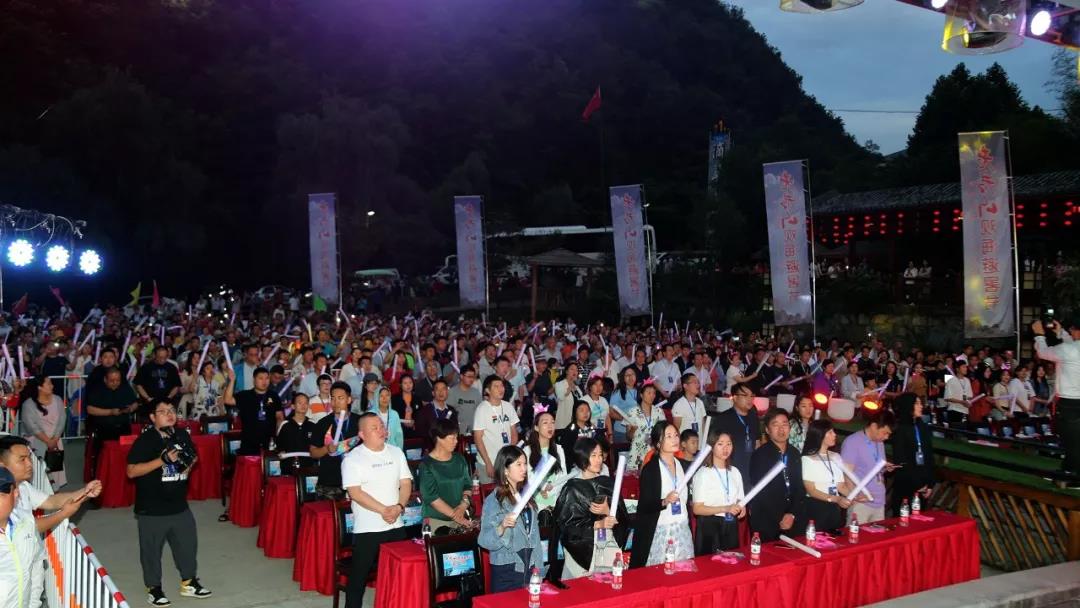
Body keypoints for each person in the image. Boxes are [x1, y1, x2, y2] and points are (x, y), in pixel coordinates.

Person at [126, 400, 212, 605]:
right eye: (163, 412)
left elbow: (194, 456)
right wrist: (162, 461)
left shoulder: (181, 434)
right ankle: (154, 588)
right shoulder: (146, 440)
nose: (169, 414)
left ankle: (189, 582)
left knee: (187, 546)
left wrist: (187, 466)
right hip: (152, 508)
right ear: (153, 418)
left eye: (172, 411)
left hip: (179, 505)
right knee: (151, 551)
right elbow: (131, 471)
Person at [341, 412, 413, 608]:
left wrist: (398, 507)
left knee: (401, 576)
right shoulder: (353, 458)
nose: (381, 430)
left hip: (396, 523)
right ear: (362, 434)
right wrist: (384, 510)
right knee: (358, 580)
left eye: (381, 426)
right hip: (368, 528)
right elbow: (355, 492)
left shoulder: (396, 451)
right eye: (374, 428)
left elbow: (406, 483)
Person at [0, 435, 101, 536]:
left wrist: (85, 492)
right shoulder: (2, 497)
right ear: (2, 464)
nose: (29, 464)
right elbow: (27, 529)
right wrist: (63, 514)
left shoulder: (23, 486)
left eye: (29, 458)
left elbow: (51, 501)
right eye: (22, 460)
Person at [478, 445, 545, 592]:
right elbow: (484, 540)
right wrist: (501, 528)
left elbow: (535, 537)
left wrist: (539, 569)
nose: (524, 469)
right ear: (506, 470)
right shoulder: (494, 500)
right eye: (519, 464)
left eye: (525, 464)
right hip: (507, 571)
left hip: (530, 568)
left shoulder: (527, 497)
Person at [552, 437, 621, 579]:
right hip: (581, 550)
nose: (599, 459)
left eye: (600, 455)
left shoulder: (607, 483)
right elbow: (568, 527)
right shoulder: (572, 488)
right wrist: (598, 524)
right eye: (593, 455)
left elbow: (622, 516)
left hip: (606, 543)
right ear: (582, 457)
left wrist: (607, 512)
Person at [630, 422, 692, 567]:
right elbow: (644, 505)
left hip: (682, 529)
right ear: (658, 443)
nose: (675, 439)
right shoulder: (651, 469)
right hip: (660, 530)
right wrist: (664, 501)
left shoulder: (683, 465)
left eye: (676, 435)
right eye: (669, 436)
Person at [748, 408, 805, 542]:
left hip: (791, 517)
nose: (781, 429)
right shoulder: (760, 455)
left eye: (785, 424)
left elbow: (799, 487)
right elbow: (761, 491)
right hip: (767, 519)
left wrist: (791, 514)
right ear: (767, 430)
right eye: (776, 425)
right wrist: (780, 517)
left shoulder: (794, 454)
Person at [690, 429, 745, 555]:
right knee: (709, 568)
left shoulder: (735, 472)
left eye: (729, 444)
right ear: (712, 447)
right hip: (709, 526)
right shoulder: (703, 473)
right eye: (720, 444)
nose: (725, 448)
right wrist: (726, 508)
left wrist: (742, 507)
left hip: (730, 524)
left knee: (731, 565)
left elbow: (739, 500)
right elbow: (697, 509)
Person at [840, 408, 896, 524]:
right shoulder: (853, 441)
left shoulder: (879, 443)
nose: (886, 437)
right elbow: (846, 473)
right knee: (857, 539)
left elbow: (873, 468)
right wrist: (855, 496)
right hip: (862, 503)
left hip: (879, 501)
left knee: (876, 539)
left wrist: (885, 468)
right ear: (874, 426)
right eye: (885, 433)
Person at [800, 420, 856, 534]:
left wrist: (854, 495)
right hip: (815, 507)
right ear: (819, 435)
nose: (834, 435)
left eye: (833, 432)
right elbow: (812, 491)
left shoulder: (836, 456)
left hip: (834, 507)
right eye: (830, 432)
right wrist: (837, 499)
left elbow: (840, 486)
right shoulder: (807, 459)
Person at [308, 382, 362, 500]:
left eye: (340, 398)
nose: (336, 402)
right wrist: (327, 448)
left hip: (357, 481)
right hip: (330, 482)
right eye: (332, 398)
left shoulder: (360, 422)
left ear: (349, 400)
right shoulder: (322, 423)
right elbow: (313, 453)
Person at [418, 418, 473, 533]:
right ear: (439, 439)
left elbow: (467, 485)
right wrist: (455, 515)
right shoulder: (427, 464)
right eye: (452, 438)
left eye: (456, 437)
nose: (456, 441)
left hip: (461, 516)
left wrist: (463, 505)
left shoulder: (459, 459)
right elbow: (431, 497)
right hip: (436, 521)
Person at [0, 465, 44, 608]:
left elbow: (36, 563)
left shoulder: (26, 523)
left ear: (16, 494)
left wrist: (33, 603)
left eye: (1, 494)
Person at [889, 393, 936, 515]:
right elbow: (900, 459)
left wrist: (930, 483)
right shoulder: (900, 429)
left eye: (921, 403)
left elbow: (929, 456)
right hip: (906, 486)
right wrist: (916, 483)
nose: (921, 406)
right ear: (909, 406)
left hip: (923, 487)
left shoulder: (923, 427)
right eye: (917, 403)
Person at [708, 382, 761, 488]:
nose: (750, 399)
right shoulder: (723, 419)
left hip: (751, 471)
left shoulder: (753, 417)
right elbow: (712, 448)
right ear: (735, 398)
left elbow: (757, 442)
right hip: (730, 471)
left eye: (752, 396)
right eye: (745, 395)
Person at [223, 365, 284, 455]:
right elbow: (227, 400)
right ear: (254, 380)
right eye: (261, 378)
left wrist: (277, 436)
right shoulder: (245, 395)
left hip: (269, 442)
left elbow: (279, 417)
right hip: (249, 443)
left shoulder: (274, 396)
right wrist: (232, 381)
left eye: (267, 378)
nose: (264, 381)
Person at [19, 376, 67, 486]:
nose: (52, 386)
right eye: (49, 383)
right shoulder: (28, 404)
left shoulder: (58, 400)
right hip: (37, 443)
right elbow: (32, 426)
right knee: (38, 474)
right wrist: (48, 441)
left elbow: (62, 420)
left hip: (55, 443)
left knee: (54, 472)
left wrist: (55, 439)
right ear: (39, 387)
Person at [473, 376, 519, 483]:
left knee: (506, 495)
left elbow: (514, 433)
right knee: (489, 495)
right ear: (488, 390)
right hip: (488, 462)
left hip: (506, 462)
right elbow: (478, 439)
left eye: (502, 386)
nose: (501, 389)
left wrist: (508, 458)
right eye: (496, 386)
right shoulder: (482, 409)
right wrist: (488, 463)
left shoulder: (508, 406)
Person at [522, 409, 568, 516]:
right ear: (536, 428)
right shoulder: (527, 451)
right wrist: (542, 487)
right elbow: (527, 476)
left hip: (555, 499)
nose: (550, 426)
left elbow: (563, 476)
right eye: (545, 423)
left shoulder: (559, 449)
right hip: (534, 500)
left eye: (552, 422)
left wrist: (552, 490)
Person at [623, 381, 665, 471]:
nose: (652, 395)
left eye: (654, 393)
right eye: (649, 392)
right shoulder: (632, 412)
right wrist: (633, 430)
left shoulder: (659, 412)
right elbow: (628, 437)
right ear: (641, 395)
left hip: (654, 451)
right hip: (637, 452)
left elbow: (663, 432)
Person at [134, 346, 182, 415]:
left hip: (166, 403)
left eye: (165, 357)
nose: (162, 360)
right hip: (150, 403)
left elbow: (176, 385)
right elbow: (138, 384)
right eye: (160, 357)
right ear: (155, 355)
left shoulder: (172, 367)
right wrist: (147, 398)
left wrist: (169, 397)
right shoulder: (146, 367)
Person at [413, 379, 458, 450]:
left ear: (447, 392)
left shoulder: (452, 410)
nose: (441, 392)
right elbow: (420, 433)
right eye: (437, 389)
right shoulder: (424, 411)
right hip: (431, 450)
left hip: (449, 450)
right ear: (433, 393)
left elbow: (456, 430)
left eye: (443, 389)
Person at [275, 394, 316, 465]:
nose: (303, 405)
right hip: (288, 467)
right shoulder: (285, 425)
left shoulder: (313, 425)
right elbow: (279, 445)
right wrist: (281, 452)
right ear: (293, 406)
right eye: (300, 403)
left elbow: (317, 446)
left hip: (308, 468)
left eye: (305, 403)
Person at [448, 367, 481, 435]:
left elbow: (480, 412)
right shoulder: (452, 392)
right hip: (457, 432)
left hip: (473, 431)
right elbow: (449, 413)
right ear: (461, 376)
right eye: (469, 376)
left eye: (473, 377)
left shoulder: (476, 393)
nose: (471, 379)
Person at [553, 362, 583, 429]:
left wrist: (574, 386)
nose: (575, 372)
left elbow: (582, 400)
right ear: (566, 371)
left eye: (576, 370)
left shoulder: (577, 387)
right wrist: (570, 387)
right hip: (564, 420)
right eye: (572, 369)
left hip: (576, 420)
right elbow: (561, 397)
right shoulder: (559, 384)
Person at [943, 361, 973, 426]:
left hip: (965, 411)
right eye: (963, 367)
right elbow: (947, 397)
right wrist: (962, 402)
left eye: (966, 367)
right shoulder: (951, 380)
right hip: (954, 410)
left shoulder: (967, 380)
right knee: (955, 432)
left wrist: (968, 402)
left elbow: (970, 396)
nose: (966, 369)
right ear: (957, 369)